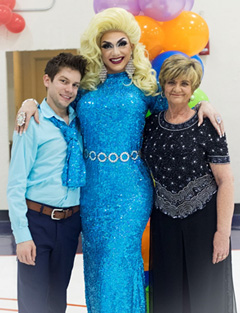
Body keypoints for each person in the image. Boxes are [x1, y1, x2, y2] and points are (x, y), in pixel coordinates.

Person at [14, 8, 225, 313]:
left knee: (119, 260)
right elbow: (55, 102)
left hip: (131, 191)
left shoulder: (144, 86)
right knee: (97, 267)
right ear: (97, 49)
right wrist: (29, 101)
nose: (115, 51)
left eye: (121, 43)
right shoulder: (84, 88)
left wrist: (204, 101)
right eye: (107, 45)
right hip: (91, 191)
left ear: (132, 46)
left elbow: (177, 100)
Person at [142, 54, 237, 313]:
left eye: (185, 83)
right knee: (169, 297)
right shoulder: (150, 125)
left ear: (193, 88)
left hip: (204, 224)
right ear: (163, 83)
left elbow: (226, 180)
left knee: (206, 298)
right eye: (172, 82)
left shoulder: (207, 123)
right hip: (164, 223)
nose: (177, 89)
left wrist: (223, 234)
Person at [7, 52, 87, 313]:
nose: (69, 90)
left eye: (75, 84)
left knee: (57, 300)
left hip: (69, 223)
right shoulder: (31, 122)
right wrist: (21, 235)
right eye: (63, 81)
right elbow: (16, 183)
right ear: (47, 80)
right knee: (34, 302)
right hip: (37, 221)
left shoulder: (79, 122)